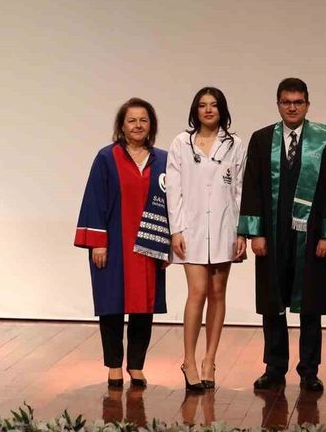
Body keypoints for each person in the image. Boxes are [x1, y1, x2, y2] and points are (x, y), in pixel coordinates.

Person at [237, 77, 326, 392]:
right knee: (272, 303)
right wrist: (255, 233)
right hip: (273, 236)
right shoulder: (262, 139)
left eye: (298, 102)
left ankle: (309, 370)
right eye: (286, 102)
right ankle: (274, 368)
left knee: (310, 305)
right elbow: (252, 187)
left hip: (312, 237)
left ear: (307, 105)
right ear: (278, 104)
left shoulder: (324, 139)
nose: (292, 107)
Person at [75, 97, 170, 387]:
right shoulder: (107, 158)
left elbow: (173, 205)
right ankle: (114, 364)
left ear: (151, 125)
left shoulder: (163, 160)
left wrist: (166, 245)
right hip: (114, 245)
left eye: (143, 120)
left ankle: (137, 365)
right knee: (111, 305)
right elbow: (95, 200)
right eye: (132, 120)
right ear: (122, 125)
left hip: (148, 244)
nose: (138, 125)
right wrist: (97, 242)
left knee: (144, 307)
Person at [166, 87, 247, 391]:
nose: (208, 110)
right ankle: (188, 360)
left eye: (214, 105)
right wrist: (176, 230)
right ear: (195, 110)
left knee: (217, 293)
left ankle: (209, 360)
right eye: (202, 105)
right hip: (192, 230)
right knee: (197, 292)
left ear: (222, 110)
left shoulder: (235, 144)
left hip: (225, 229)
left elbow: (239, 189)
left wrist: (241, 230)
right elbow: (173, 190)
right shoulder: (181, 143)